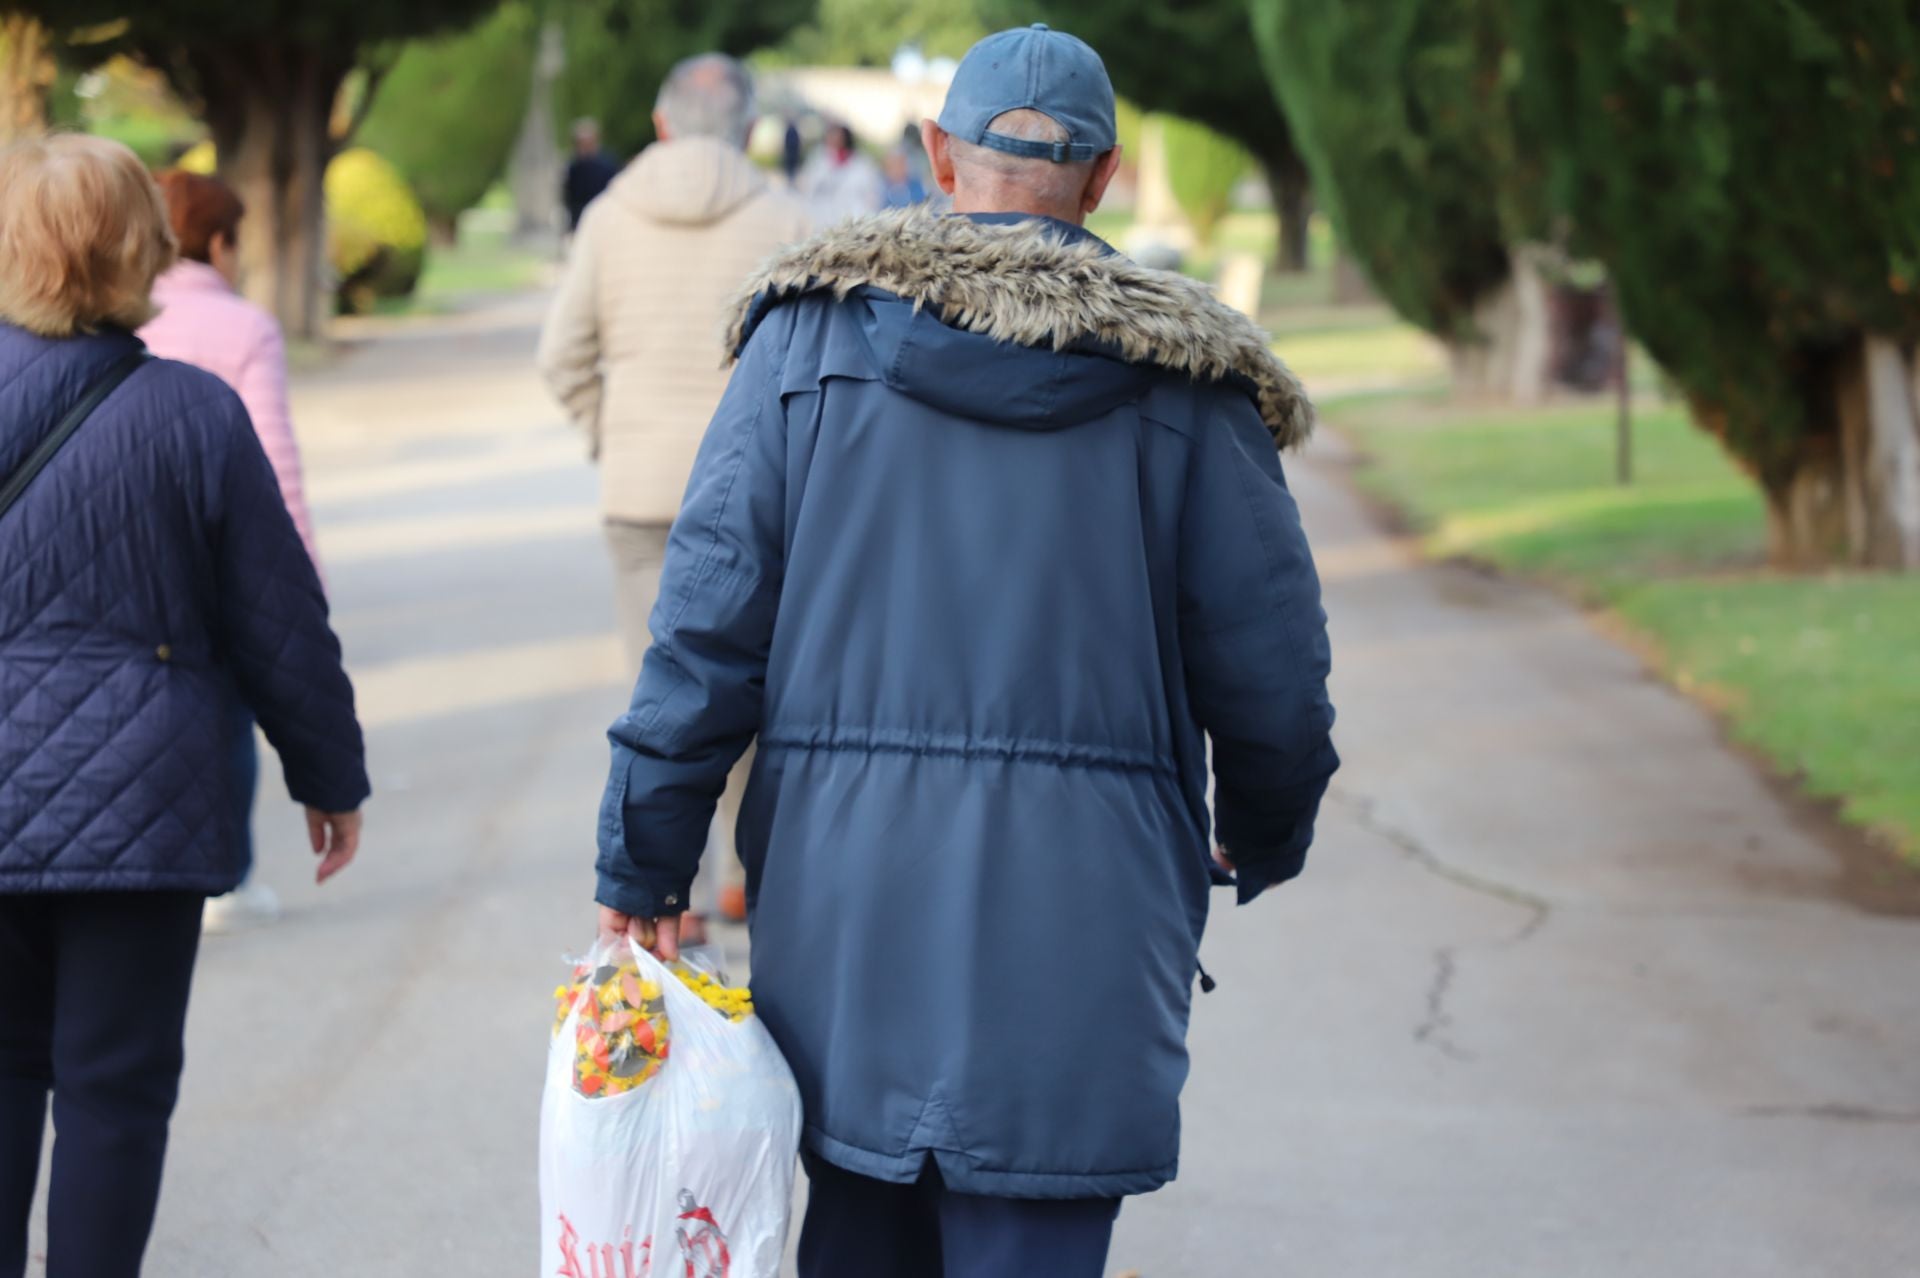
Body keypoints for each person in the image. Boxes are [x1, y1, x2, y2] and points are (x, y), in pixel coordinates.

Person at [591, 23, 1337, 1278]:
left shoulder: (804, 343)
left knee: (857, 1229)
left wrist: (646, 855)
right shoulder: (1193, 387)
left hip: (844, 913)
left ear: (941, 157)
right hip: (1085, 927)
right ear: (1102, 178)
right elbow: (1274, 671)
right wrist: (1263, 831)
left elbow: (706, 625)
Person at [0, 136, 368, 1278]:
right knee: (114, 1092)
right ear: (147, 250)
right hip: (140, 808)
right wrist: (329, 776)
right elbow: (277, 618)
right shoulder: (195, 414)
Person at [538, 54, 807, 931]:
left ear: (660, 124)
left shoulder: (609, 216)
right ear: (749, 129)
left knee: (657, 690)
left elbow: (562, 355)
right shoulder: (786, 218)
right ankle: (741, 875)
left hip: (643, 490)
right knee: (756, 687)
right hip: (760, 495)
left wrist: (609, 432)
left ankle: (670, 895)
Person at [140, 169, 323, 935]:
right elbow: (274, 462)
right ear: (218, 243)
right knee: (231, 719)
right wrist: (302, 582)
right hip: (223, 557)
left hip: (138, 556)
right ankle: (229, 878)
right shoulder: (246, 327)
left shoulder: (125, 315)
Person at [797, 121, 884, 226]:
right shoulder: (818, 160)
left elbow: (872, 194)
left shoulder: (862, 164)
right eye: (831, 136)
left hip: (854, 219)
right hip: (822, 219)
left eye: (837, 136)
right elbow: (807, 187)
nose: (833, 140)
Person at [562, 118, 619, 232]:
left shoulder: (608, 165)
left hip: (604, 219)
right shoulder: (574, 167)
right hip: (581, 220)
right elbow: (569, 197)